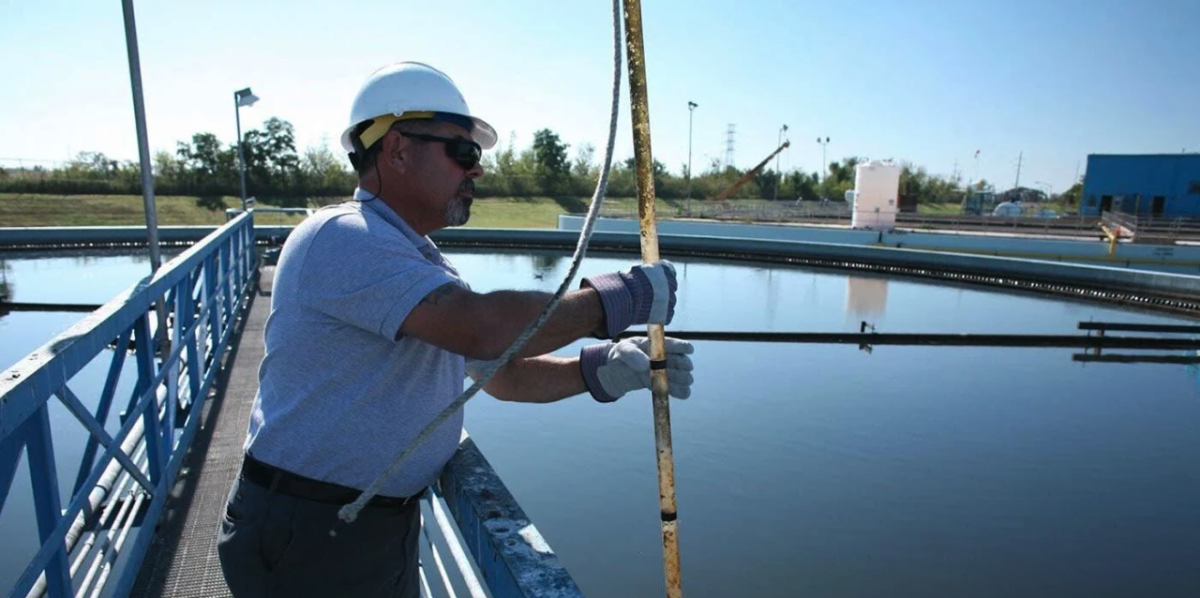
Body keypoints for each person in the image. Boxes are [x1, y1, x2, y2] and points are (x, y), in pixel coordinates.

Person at [217, 61, 696, 598]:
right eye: (463, 152)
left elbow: (498, 373)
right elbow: (481, 331)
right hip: (309, 535)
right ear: (396, 149)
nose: (478, 171)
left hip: (361, 525)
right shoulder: (345, 237)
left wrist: (601, 371)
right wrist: (617, 299)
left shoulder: (416, 259)